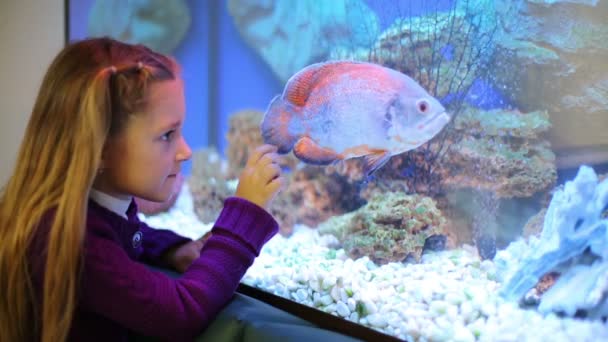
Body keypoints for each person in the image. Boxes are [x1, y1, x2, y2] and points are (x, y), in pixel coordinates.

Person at [0, 37, 284, 342]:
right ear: (99, 148)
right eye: (167, 135)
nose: (185, 151)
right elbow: (180, 313)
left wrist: (172, 248)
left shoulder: (76, 211)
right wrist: (245, 217)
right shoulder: (71, 243)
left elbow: (124, 234)